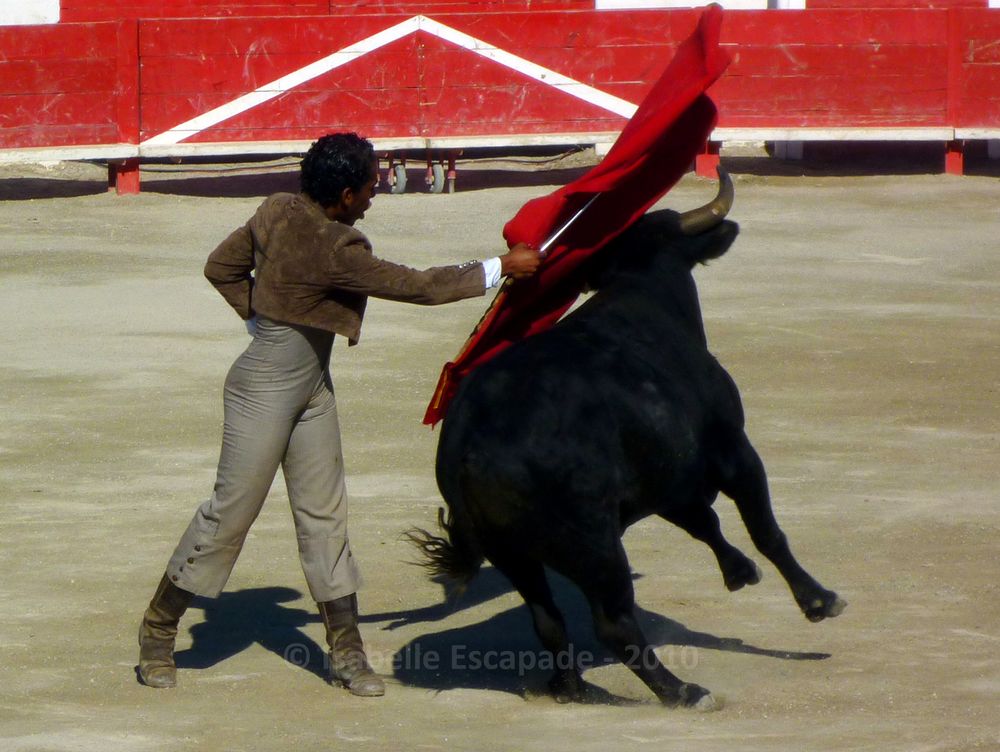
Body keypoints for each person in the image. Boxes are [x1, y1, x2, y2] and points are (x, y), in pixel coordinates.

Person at [137, 132, 541, 697]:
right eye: (372, 186)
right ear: (346, 195)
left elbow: (220, 267)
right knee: (232, 512)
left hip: (310, 389)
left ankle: (347, 652)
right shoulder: (336, 247)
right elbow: (420, 287)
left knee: (326, 513)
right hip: (265, 389)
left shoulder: (277, 209)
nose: (375, 195)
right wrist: (499, 266)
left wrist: (259, 317)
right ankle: (157, 632)